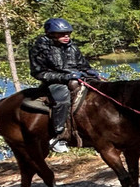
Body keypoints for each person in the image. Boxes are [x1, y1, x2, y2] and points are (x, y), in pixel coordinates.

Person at [29, 18, 101, 153]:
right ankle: (59, 136)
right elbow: (38, 73)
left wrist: (90, 71)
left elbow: (83, 65)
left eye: (68, 33)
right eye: (62, 34)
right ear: (51, 34)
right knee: (62, 99)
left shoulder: (72, 47)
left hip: (77, 79)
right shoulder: (39, 49)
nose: (66, 36)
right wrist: (65, 77)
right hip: (55, 82)